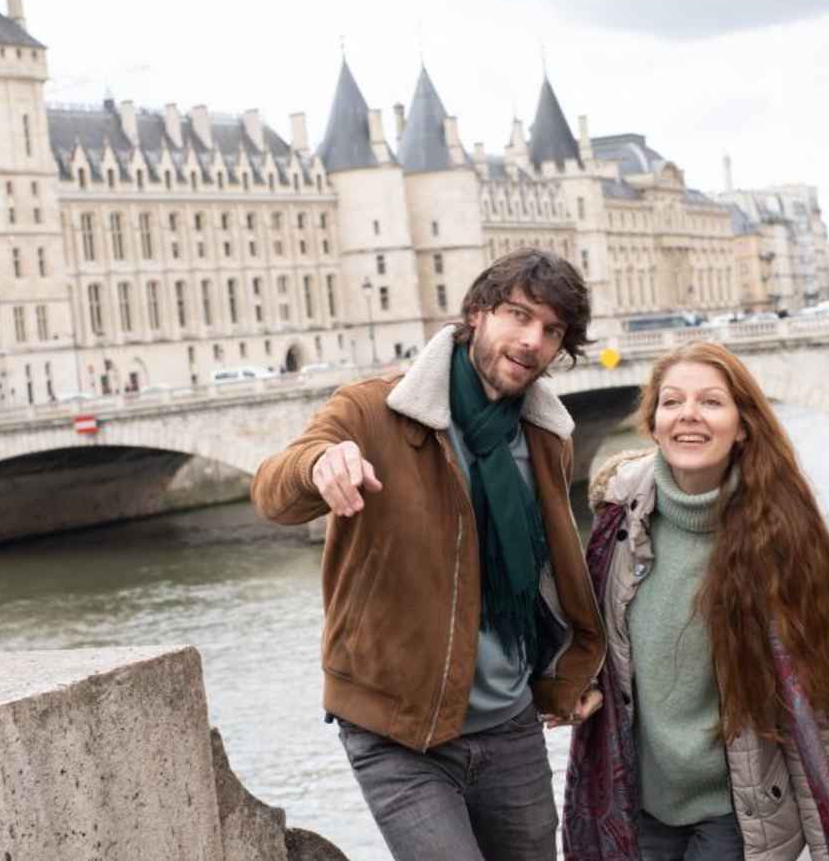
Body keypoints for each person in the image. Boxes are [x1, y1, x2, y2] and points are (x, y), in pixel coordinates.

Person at [249, 248, 605, 861]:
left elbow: (547, 572)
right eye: (518, 316)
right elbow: (273, 493)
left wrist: (567, 672)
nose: (531, 341)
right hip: (396, 728)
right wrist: (319, 464)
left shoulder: (546, 437)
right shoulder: (372, 410)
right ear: (476, 313)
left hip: (510, 723)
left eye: (551, 331)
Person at [564, 341, 829, 861]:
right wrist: (568, 680)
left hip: (737, 812)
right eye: (672, 402)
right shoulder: (616, 518)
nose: (688, 415)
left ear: (743, 424)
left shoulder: (782, 537)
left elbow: (813, 704)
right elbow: (586, 633)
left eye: (710, 401)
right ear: (653, 422)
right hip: (636, 805)